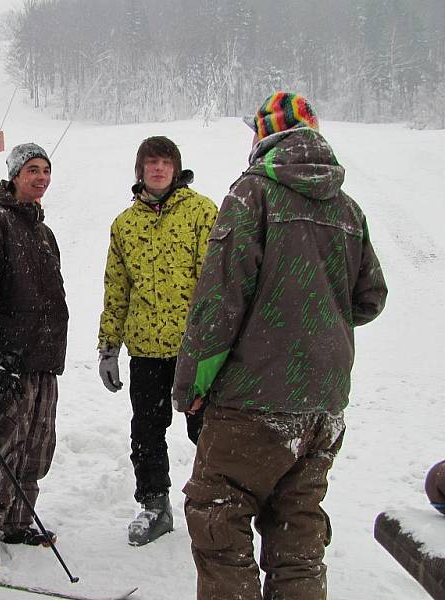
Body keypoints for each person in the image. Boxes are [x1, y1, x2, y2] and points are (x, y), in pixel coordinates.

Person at [172, 91, 388, 600]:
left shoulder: (253, 194)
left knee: (219, 525)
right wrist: (313, 321)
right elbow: (371, 297)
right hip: (322, 409)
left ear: (266, 138)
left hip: (252, 403)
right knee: (298, 540)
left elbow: (220, 303)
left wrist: (190, 388)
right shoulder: (347, 207)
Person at [97, 135, 218, 546]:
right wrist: (109, 347)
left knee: (206, 430)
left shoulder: (203, 213)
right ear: (140, 170)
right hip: (146, 350)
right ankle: (154, 505)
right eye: (151, 162)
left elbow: (217, 284)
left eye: (165, 162)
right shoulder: (124, 225)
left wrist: (220, 343)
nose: (158, 169)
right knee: (147, 432)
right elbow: (117, 290)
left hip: (195, 350)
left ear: (177, 168)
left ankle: (218, 505)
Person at [0, 143, 69, 566]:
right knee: (1, 446)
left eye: (45, 170)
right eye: (32, 170)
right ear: (15, 175)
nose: (40, 177)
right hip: (9, 359)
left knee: (37, 447)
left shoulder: (43, 231)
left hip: (43, 358)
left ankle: (16, 521)